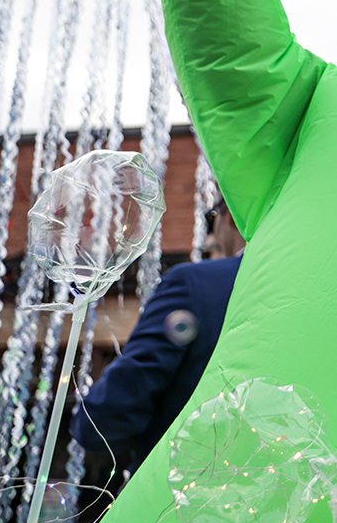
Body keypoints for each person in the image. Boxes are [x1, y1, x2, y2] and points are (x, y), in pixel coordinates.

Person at [71, 199, 245, 480]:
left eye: (213, 221)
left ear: (233, 216)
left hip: (182, 488)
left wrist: (92, 424)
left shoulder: (197, 283)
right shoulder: (319, 295)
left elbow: (112, 414)